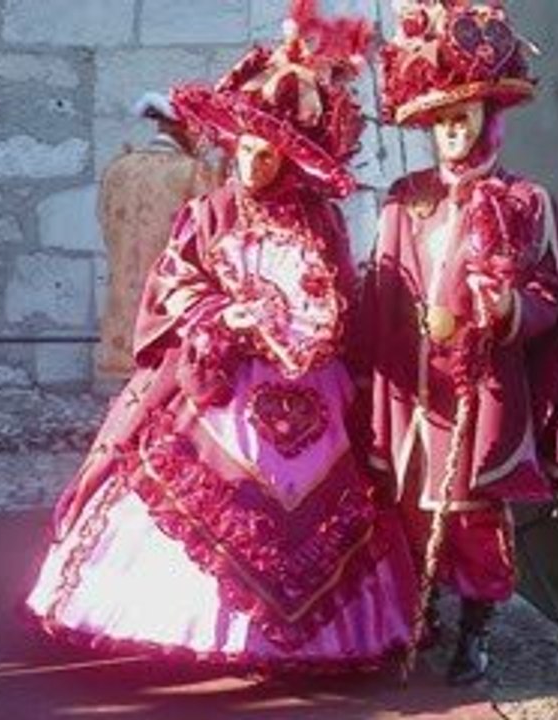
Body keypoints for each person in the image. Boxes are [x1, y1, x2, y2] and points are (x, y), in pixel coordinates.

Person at [27, 0, 418, 673]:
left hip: (306, 389)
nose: (254, 165)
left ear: (290, 159)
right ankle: (192, 623)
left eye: (270, 154)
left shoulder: (319, 222)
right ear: (231, 141)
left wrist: (314, 332)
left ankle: (307, 634)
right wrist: (222, 316)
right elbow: (172, 283)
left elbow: (338, 298)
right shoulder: (207, 210)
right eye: (245, 148)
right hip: (220, 380)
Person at [361, 1, 558, 684]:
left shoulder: (528, 202)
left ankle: (476, 631)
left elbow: (551, 301)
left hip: (481, 390)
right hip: (413, 393)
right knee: (407, 511)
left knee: (470, 519)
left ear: (490, 119)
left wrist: (504, 310)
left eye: (461, 120)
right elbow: (382, 291)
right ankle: (420, 610)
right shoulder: (405, 199)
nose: (450, 135)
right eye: (439, 123)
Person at [95, 91, 221, 380]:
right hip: (167, 296)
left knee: (127, 383)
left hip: (122, 292)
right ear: (187, 127)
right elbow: (213, 235)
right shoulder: (193, 172)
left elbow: (104, 219)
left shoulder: (119, 167)